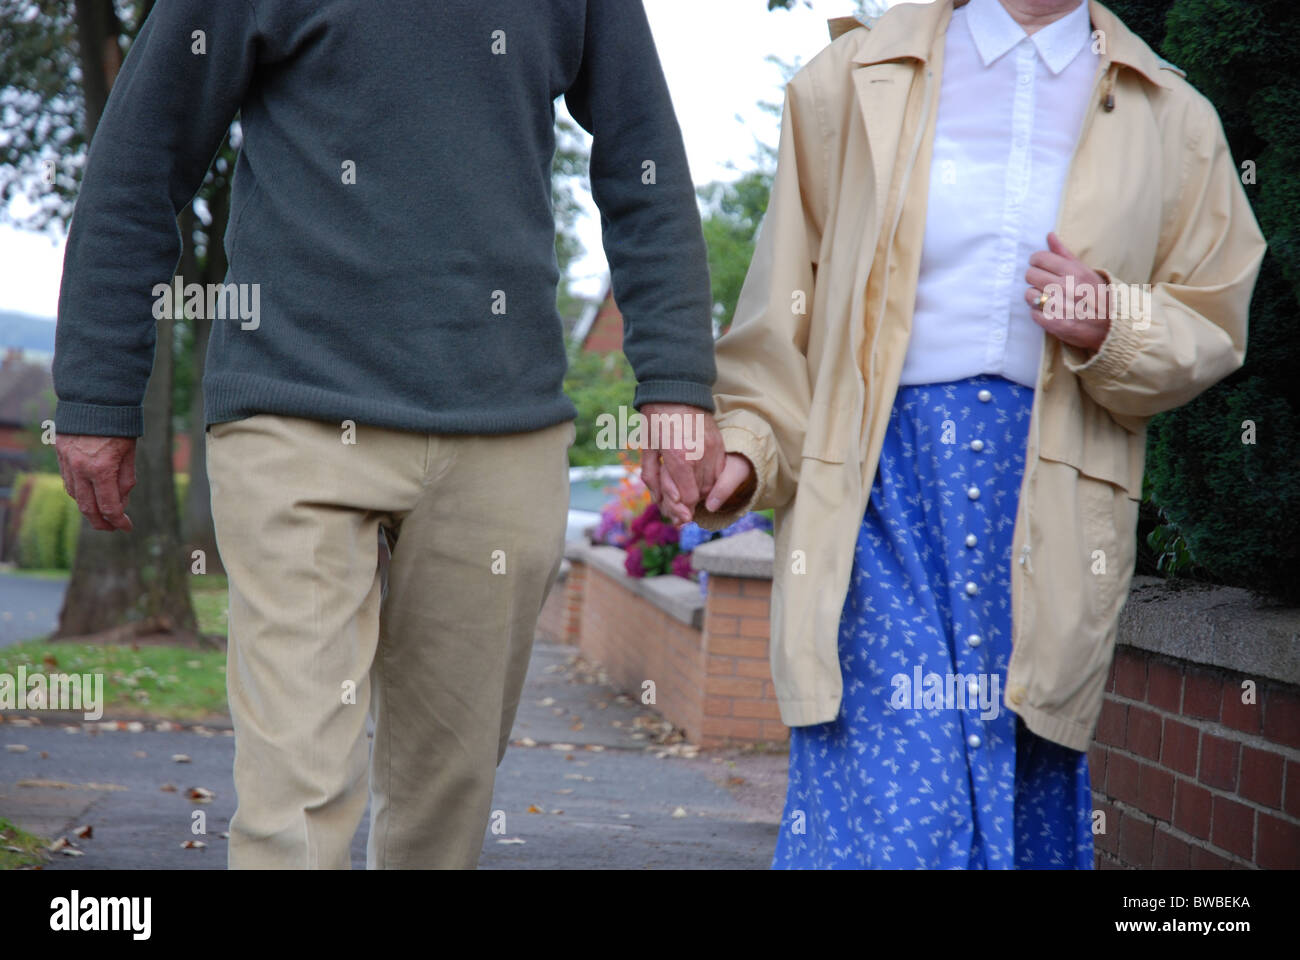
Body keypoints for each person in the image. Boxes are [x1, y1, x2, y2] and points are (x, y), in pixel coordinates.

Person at [53, 0, 722, 869]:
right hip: (293, 415)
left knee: (446, 800)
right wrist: (98, 392)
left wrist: (676, 380)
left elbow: (644, 157)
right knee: (296, 797)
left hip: (502, 425)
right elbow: (140, 160)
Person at [691, 0, 1265, 868]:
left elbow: (1214, 316)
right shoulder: (848, 81)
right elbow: (784, 314)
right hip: (876, 493)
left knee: (1018, 796)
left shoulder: (1170, 113)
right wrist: (748, 450)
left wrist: (1113, 321)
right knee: (898, 809)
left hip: (1049, 507)